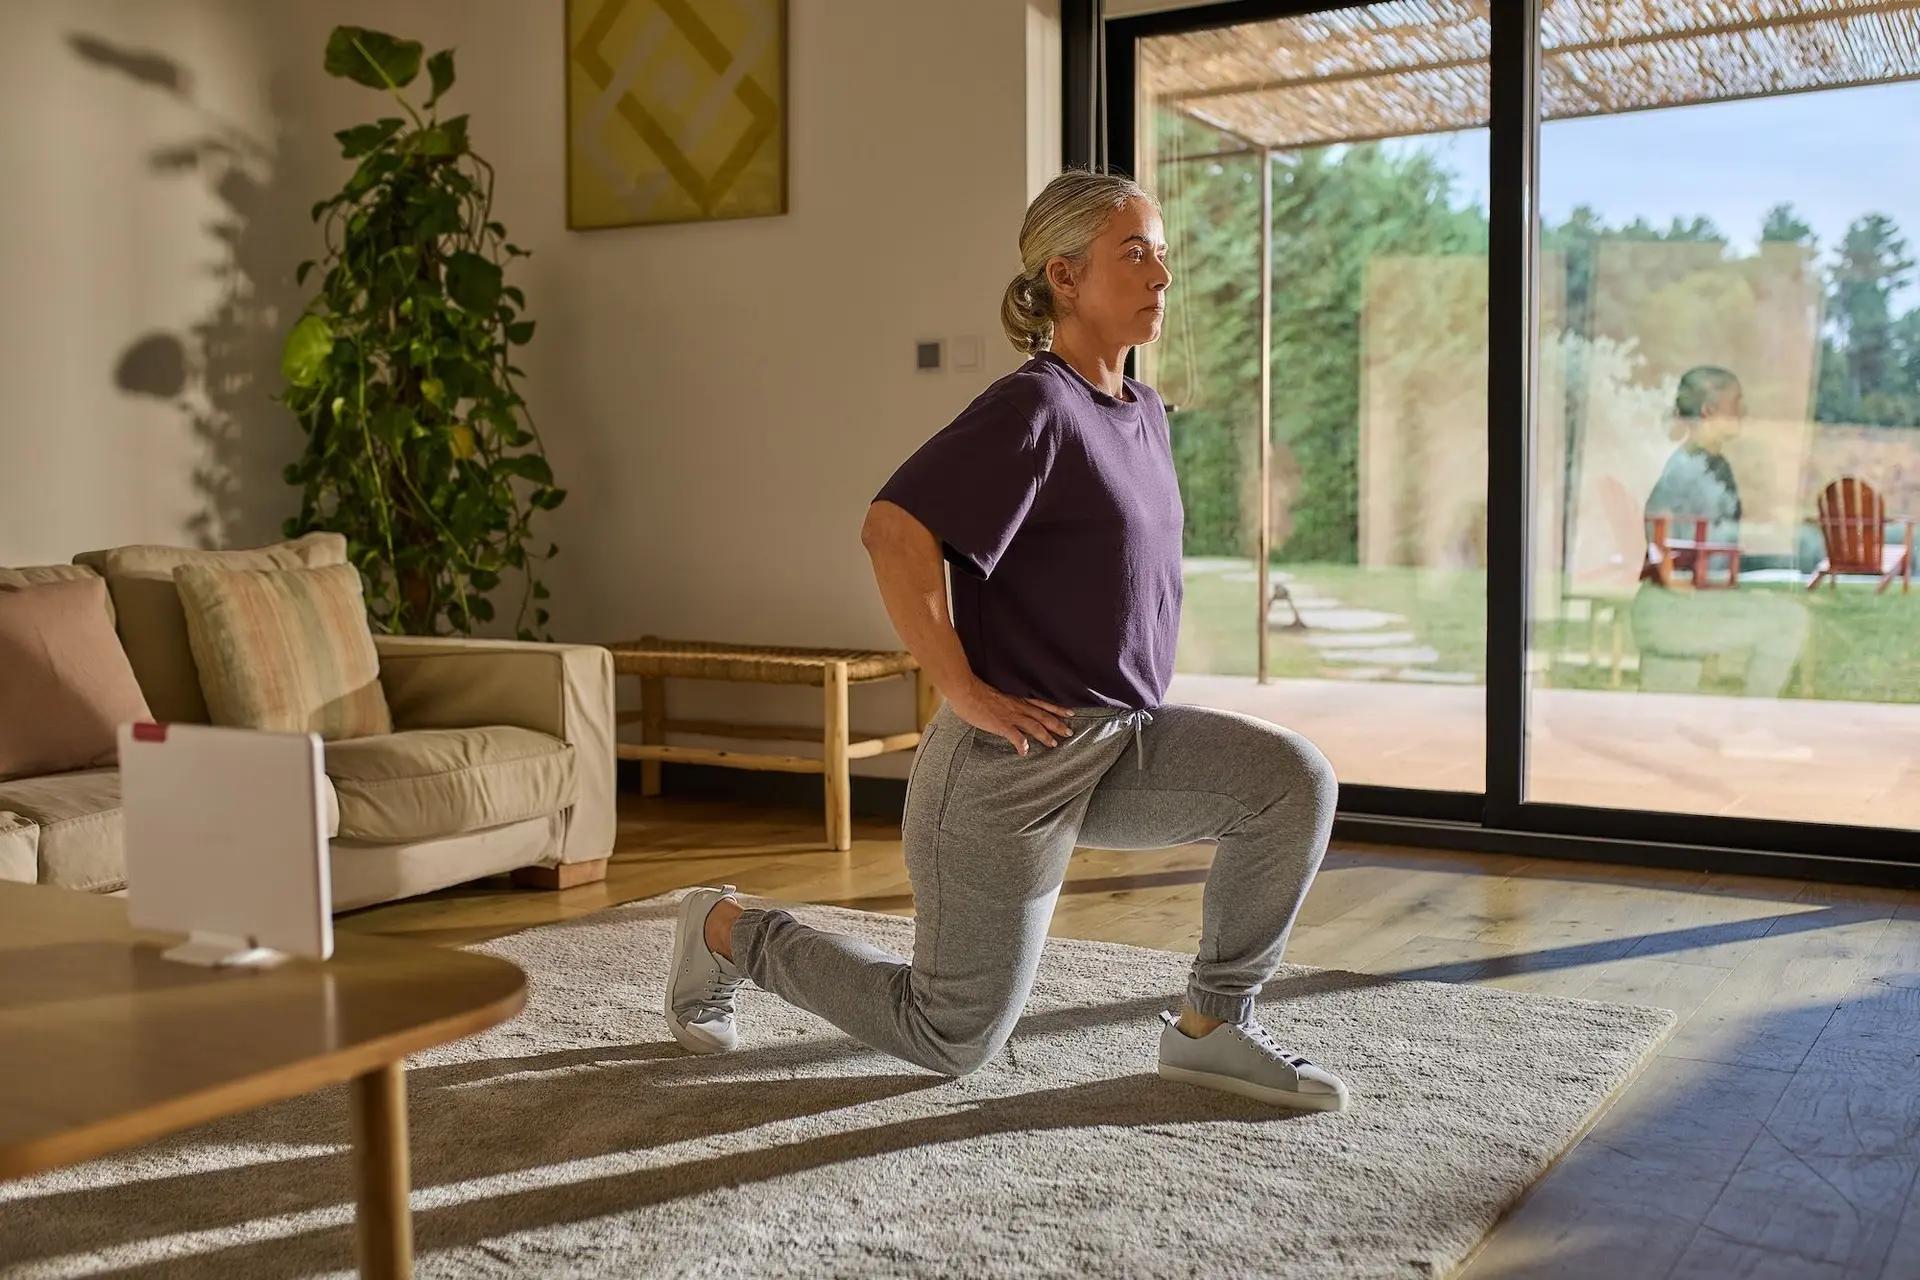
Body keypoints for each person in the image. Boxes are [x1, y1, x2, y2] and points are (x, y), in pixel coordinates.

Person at [663, 170, 1347, 1111]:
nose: (1162, 273)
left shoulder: (1141, 411)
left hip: (1120, 738)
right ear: (1063, 277)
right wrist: (962, 689)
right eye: (1134, 252)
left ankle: (1211, 1026)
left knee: (1291, 781)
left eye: (1163, 253)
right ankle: (724, 929)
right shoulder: (1037, 405)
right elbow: (893, 528)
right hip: (1006, 767)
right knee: (948, 1038)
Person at [1632, 367, 1810, 740]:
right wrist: (1673, 582)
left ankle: (1747, 727)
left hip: (1696, 600)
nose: (1743, 413)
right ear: (1710, 411)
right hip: (1678, 611)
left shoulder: (1713, 464)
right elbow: (1657, 520)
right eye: (1736, 405)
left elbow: (1714, 534)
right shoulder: (1686, 467)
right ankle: (1752, 731)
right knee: (1788, 621)